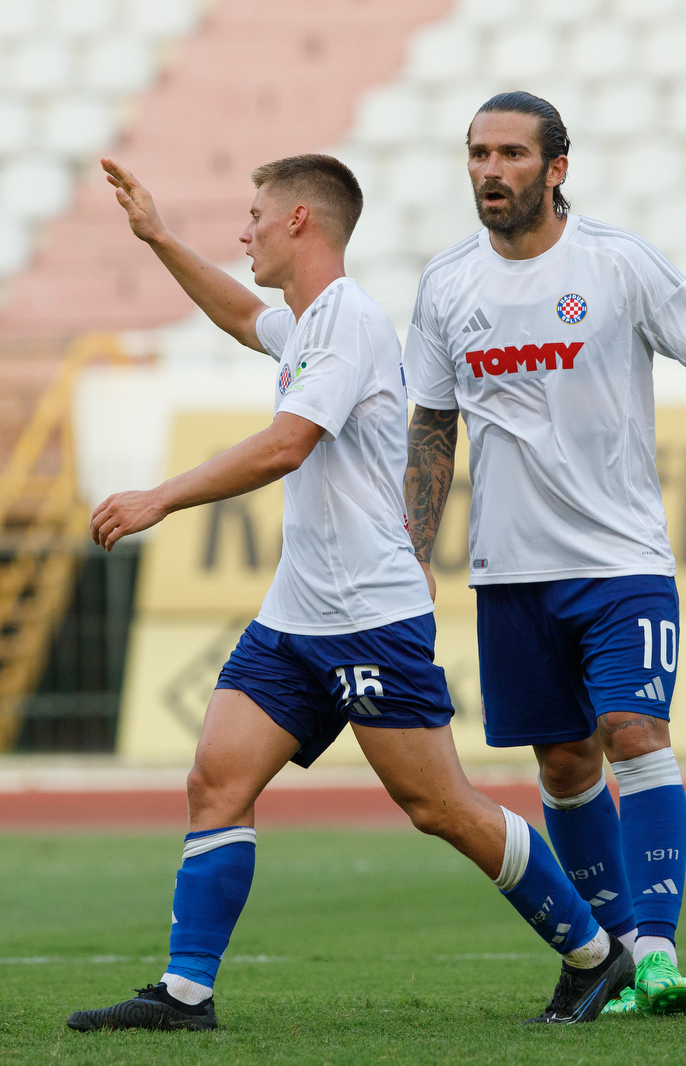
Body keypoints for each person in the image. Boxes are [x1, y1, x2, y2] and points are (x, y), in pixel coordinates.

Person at [65, 152, 635, 1033]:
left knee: (437, 807)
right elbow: (239, 316)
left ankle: (598, 956)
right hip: (298, 613)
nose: (244, 230)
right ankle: (185, 994)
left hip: (370, 614)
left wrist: (158, 497)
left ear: (300, 221)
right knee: (216, 778)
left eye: (255, 214)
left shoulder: (350, 323)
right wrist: (160, 240)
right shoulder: (307, 323)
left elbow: (284, 445)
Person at [401, 92, 686, 1017]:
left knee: (634, 734)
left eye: (509, 153)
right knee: (564, 766)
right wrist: (412, 549)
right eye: (476, 153)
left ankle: (658, 951)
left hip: (622, 560)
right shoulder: (446, 284)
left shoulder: (619, 265)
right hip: (510, 571)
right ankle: (617, 952)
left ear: (556, 168)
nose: (489, 170)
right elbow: (432, 425)